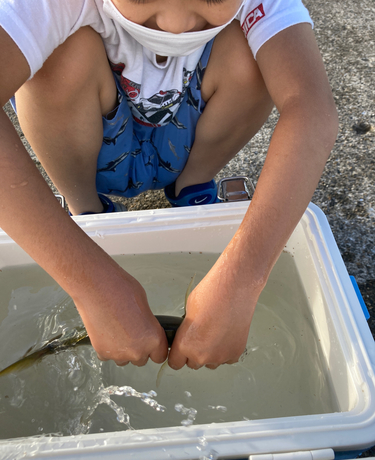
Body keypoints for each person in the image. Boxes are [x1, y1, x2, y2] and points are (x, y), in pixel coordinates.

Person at [0, 0, 338, 371]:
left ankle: (192, 186)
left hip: (186, 146)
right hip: (89, 147)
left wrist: (243, 281)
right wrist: (90, 285)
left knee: (256, 51)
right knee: (60, 58)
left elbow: (311, 109)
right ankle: (86, 208)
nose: (175, 26)